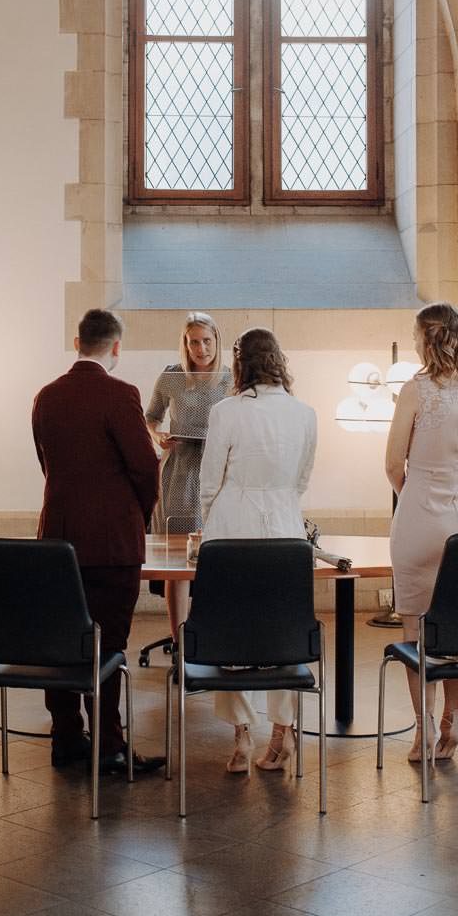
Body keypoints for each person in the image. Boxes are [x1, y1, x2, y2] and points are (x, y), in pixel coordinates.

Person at [32, 308, 164, 775]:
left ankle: (66, 737)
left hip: (57, 539)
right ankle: (108, 744)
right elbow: (146, 467)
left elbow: (46, 463)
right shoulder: (120, 393)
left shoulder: (46, 396)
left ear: (76, 342)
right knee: (109, 643)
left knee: (63, 640)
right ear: (116, 346)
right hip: (111, 543)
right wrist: (137, 515)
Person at [198, 327, 317, 777]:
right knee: (284, 630)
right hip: (286, 525)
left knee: (232, 632)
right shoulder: (305, 414)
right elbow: (303, 478)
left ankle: (241, 738)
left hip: (232, 525)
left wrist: (211, 525)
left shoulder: (226, 411)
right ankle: (281, 734)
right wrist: (281, 500)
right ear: (278, 361)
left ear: (239, 363)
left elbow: (210, 481)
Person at [386, 301, 458, 764]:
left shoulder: (416, 390)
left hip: (420, 517)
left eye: (415, 336)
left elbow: (392, 464)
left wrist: (414, 495)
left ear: (428, 340)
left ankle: (422, 728)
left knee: (414, 628)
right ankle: (456, 721)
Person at [145, 311, 232, 637]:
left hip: (216, 471)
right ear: (185, 344)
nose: (201, 348)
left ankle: (210, 634)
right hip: (179, 471)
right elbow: (150, 416)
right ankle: (181, 639)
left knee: (215, 555)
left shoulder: (230, 378)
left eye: (207, 341)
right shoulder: (171, 376)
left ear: (216, 342)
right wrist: (158, 436)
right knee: (178, 559)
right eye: (194, 341)